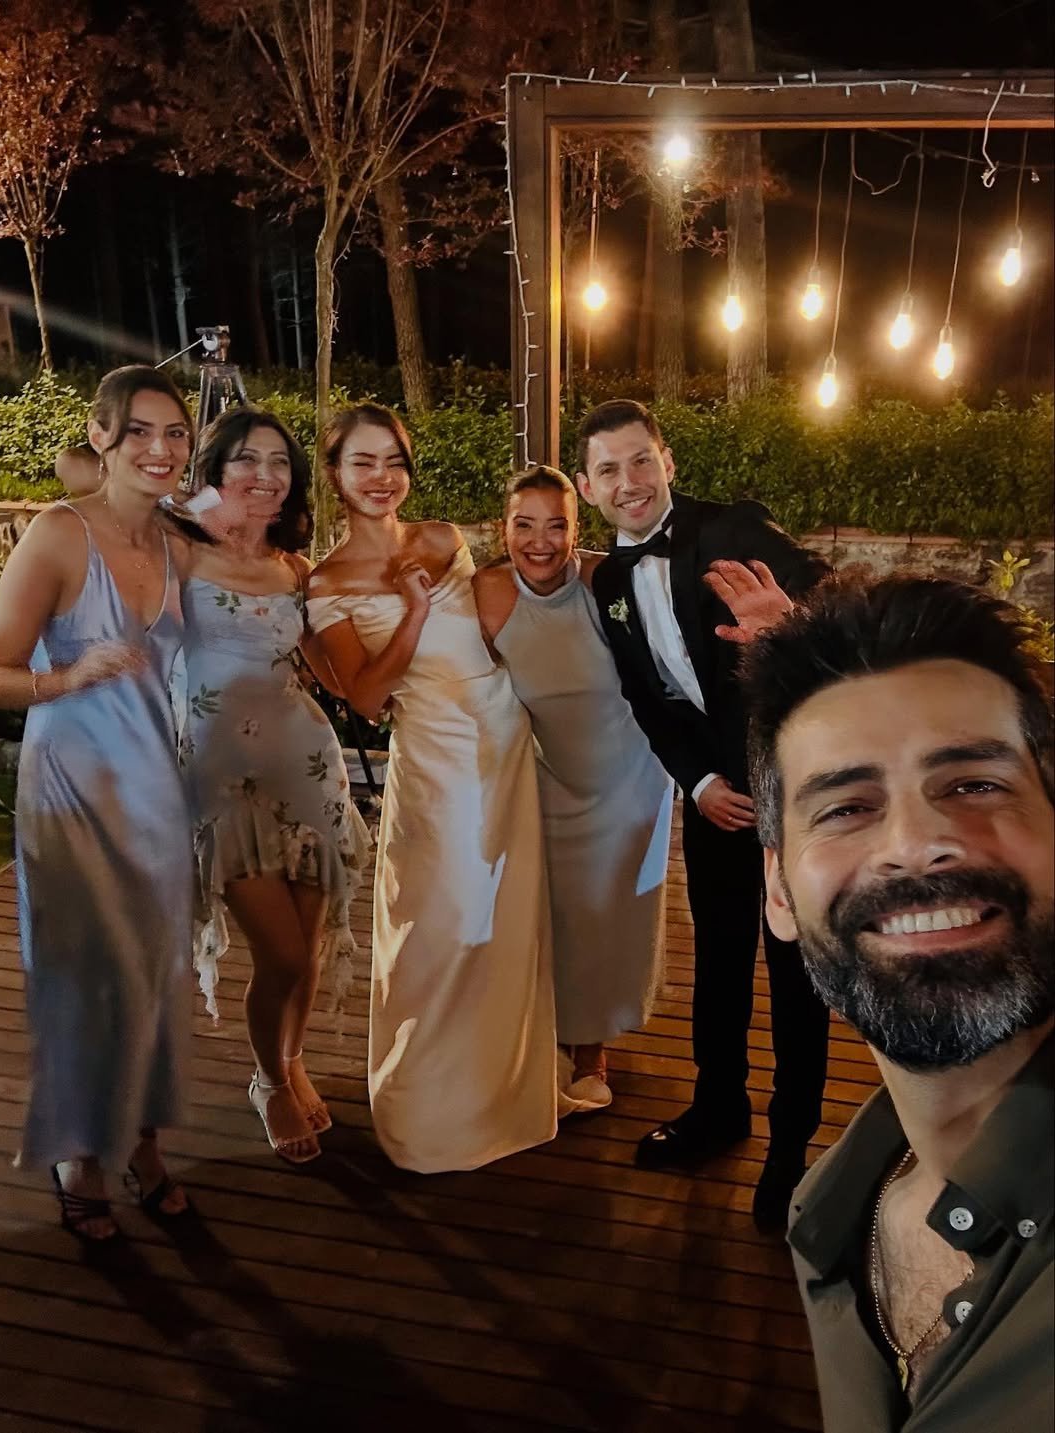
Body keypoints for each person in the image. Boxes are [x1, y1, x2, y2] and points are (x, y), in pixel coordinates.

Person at [740, 575, 1054, 1433]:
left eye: (975, 784)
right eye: (846, 806)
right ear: (778, 890)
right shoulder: (829, 1215)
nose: (916, 843)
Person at [575, 398, 830, 1231]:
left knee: (796, 975)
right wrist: (697, 780)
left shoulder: (732, 529)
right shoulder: (609, 581)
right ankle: (719, 1107)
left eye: (640, 460)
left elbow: (832, 598)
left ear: (667, 462)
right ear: (587, 487)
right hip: (717, 798)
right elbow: (648, 699)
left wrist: (795, 622)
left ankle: (791, 1146)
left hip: (791, 794)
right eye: (609, 469)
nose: (629, 481)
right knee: (719, 962)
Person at [306, 402, 557, 1173]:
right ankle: (428, 1114)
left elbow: (495, 630)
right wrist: (413, 612)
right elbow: (366, 697)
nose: (382, 477)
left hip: (506, 741)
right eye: (363, 462)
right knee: (438, 927)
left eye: (394, 461)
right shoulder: (328, 581)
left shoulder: (445, 538)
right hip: (435, 763)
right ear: (335, 473)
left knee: (505, 921)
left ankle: (502, 1096)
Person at [0, 366, 196, 1241]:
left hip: (155, 794)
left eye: (175, 433)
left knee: (152, 977)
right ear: (102, 435)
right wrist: (69, 676)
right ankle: (78, 1154)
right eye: (139, 431)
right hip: (72, 792)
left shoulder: (178, 542)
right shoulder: (58, 536)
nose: (160, 449)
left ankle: (141, 1142)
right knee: (81, 980)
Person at [174, 407, 371, 1164]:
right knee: (281, 956)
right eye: (246, 459)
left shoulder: (295, 570)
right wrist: (204, 504)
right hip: (223, 782)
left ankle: (290, 1063)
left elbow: (337, 676)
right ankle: (267, 1079)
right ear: (216, 469)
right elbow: (128, 504)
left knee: (307, 951)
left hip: (307, 768)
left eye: (279, 462)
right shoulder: (179, 551)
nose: (265, 474)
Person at [473, 466, 672, 1106]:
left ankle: (592, 1046)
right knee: (555, 912)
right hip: (548, 774)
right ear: (503, 527)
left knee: (610, 913)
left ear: (576, 529)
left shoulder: (602, 581)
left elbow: (670, 651)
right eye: (524, 525)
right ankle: (548, 1030)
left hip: (630, 776)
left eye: (556, 526)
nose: (541, 542)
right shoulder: (486, 593)